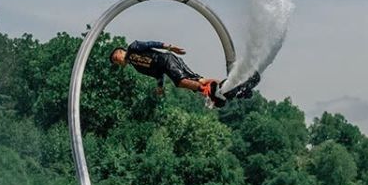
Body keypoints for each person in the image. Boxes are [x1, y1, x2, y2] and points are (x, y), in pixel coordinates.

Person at [110, 40, 261, 106]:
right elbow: (157, 74)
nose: (119, 60)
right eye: (117, 62)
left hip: (168, 59)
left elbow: (150, 43)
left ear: (122, 51)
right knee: (198, 80)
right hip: (166, 67)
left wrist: (169, 47)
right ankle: (235, 85)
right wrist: (160, 87)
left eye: (117, 57)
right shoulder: (138, 67)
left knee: (180, 82)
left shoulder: (133, 48)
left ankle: (208, 90)